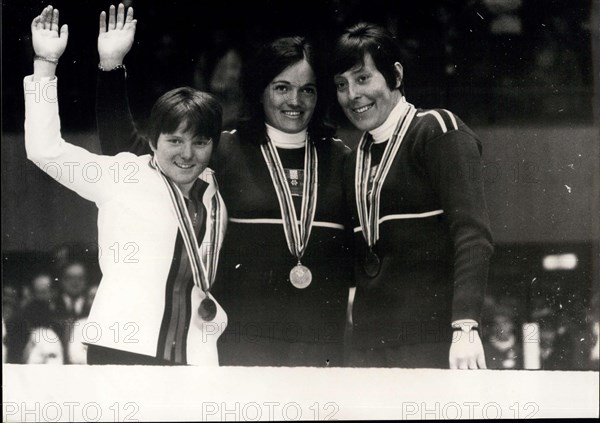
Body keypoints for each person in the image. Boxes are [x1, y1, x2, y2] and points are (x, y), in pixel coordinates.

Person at [95, 4, 352, 366]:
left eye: (307, 90)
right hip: (240, 350)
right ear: (260, 90)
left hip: (320, 350)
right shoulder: (226, 150)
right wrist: (111, 67)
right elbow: (131, 154)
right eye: (281, 87)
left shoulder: (342, 159)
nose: (295, 101)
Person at [24, 5, 227, 365]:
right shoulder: (122, 175)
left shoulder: (214, 190)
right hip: (123, 348)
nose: (187, 154)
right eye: (175, 141)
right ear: (152, 141)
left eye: (200, 142)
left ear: (213, 144)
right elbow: (45, 149)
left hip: (195, 355)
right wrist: (45, 64)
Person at [332, 23, 494, 369]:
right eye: (341, 85)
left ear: (396, 75)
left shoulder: (437, 131)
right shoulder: (354, 159)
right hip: (369, 346)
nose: (352, 95)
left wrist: (466, 326)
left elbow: (472, 234)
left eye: (363, 79)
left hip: (433, 340)